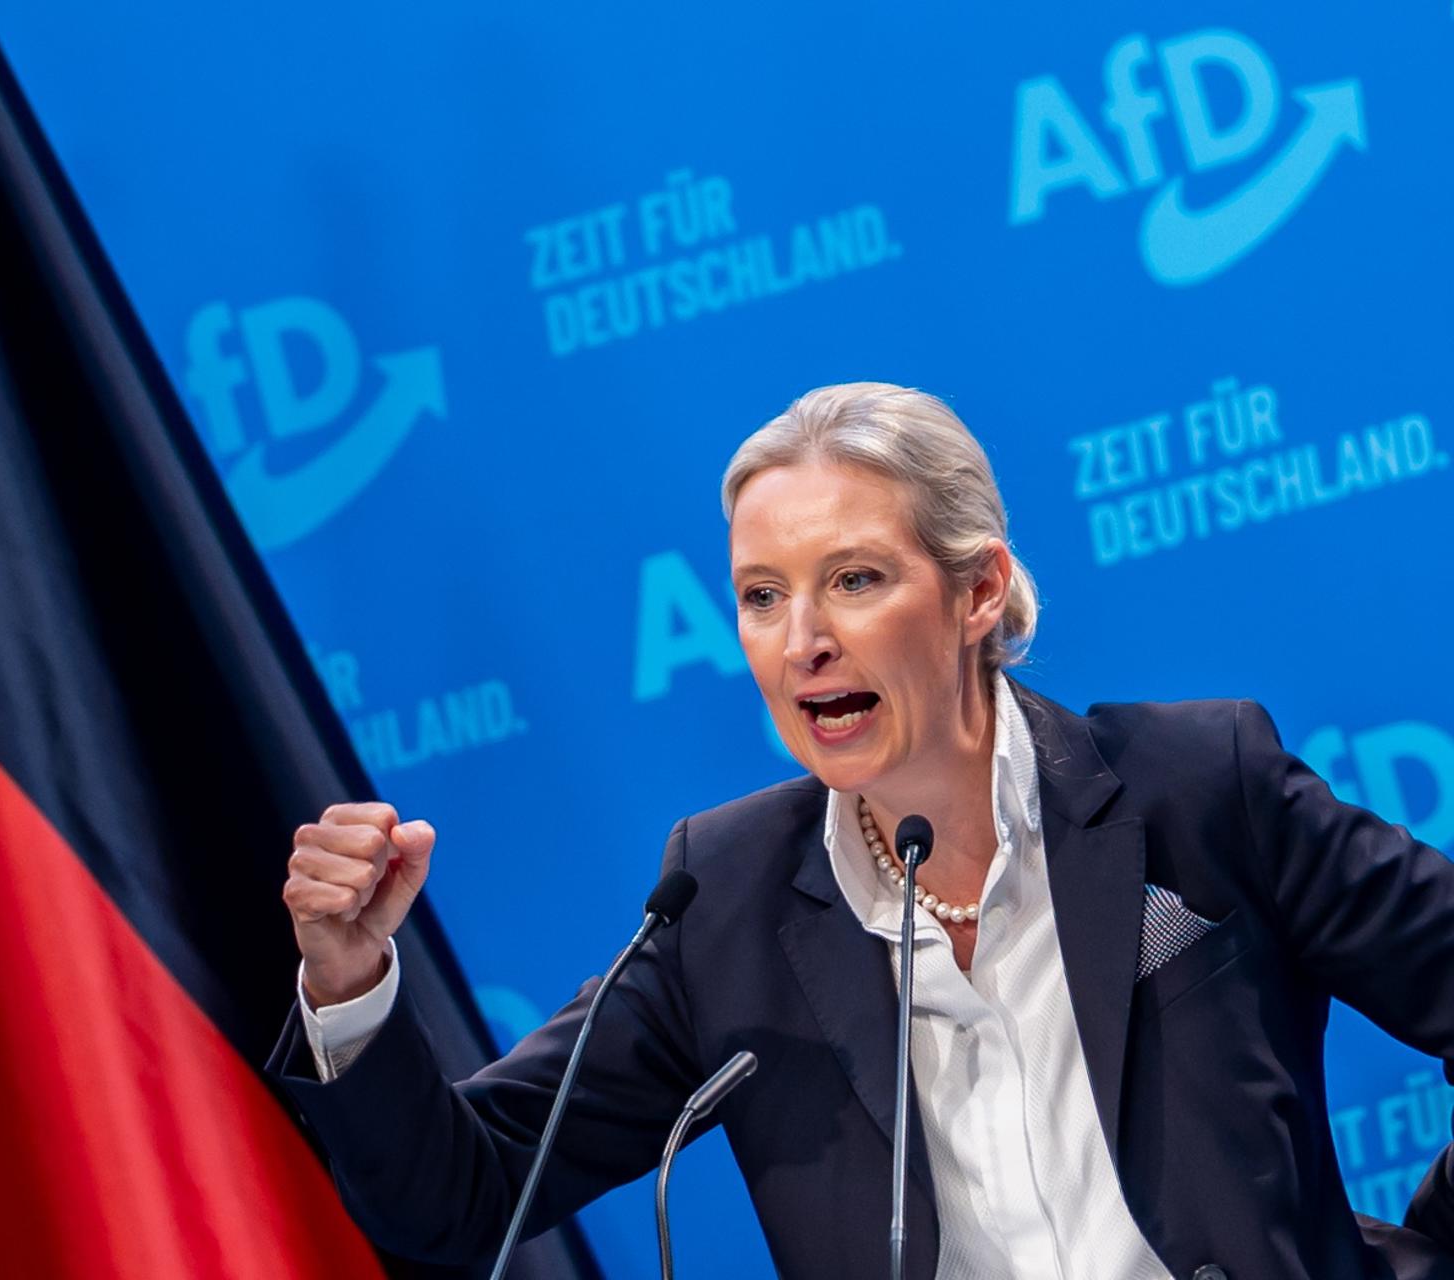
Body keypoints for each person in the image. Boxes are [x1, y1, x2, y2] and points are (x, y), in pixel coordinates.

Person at [269, 382, 1454, 1278]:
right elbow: (461, 1198)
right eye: (763, 595)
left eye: (854, 578)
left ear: (979, 589)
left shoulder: (1197, 787)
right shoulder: (723, 901)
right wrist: (350, 975)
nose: (803, 642)